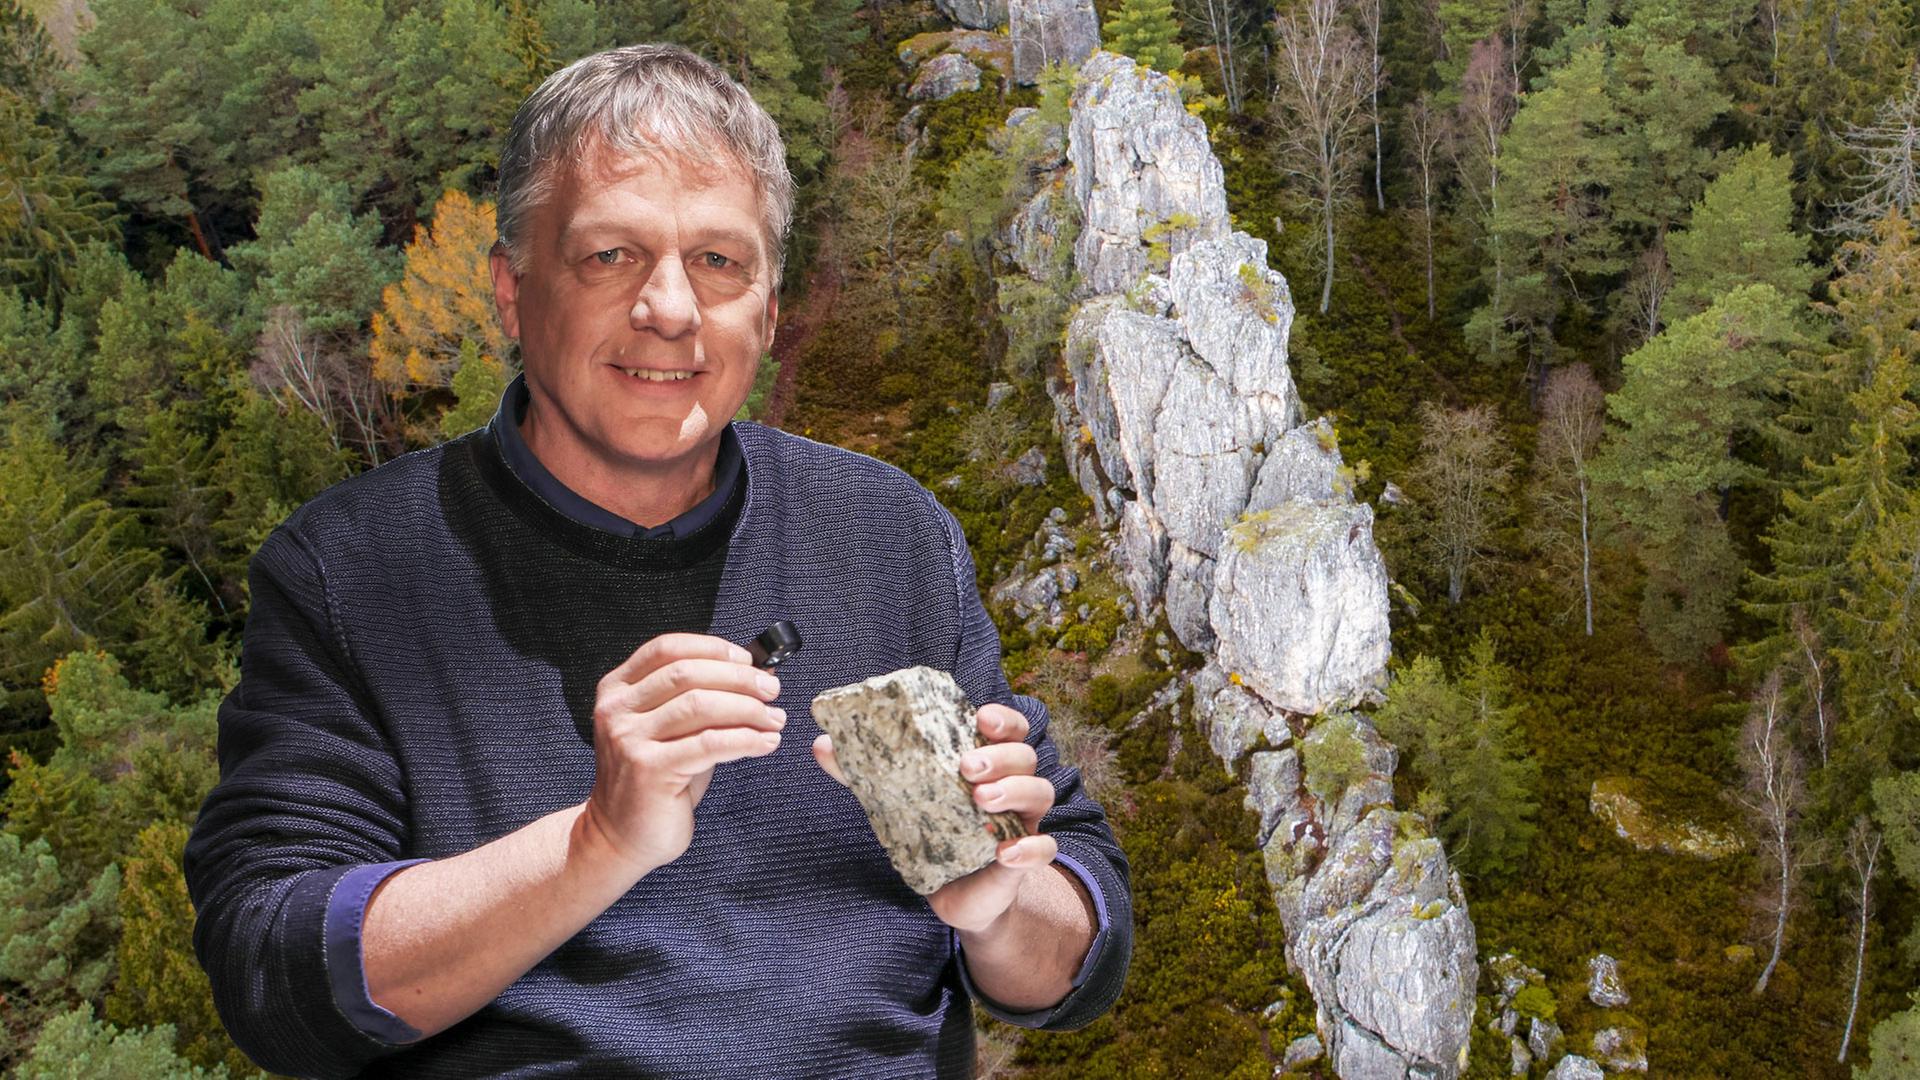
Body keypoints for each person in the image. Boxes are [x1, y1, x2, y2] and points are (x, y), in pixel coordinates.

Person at [182, 43, 1132, 1079]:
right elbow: (269, 973)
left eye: (719, 262)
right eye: (610, 257)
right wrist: (597, 842)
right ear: (512, 292)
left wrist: (1001, 904)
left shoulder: (888, 528)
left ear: (767, 310)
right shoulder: (351, 571)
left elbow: (1077, 946)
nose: (670, 309)